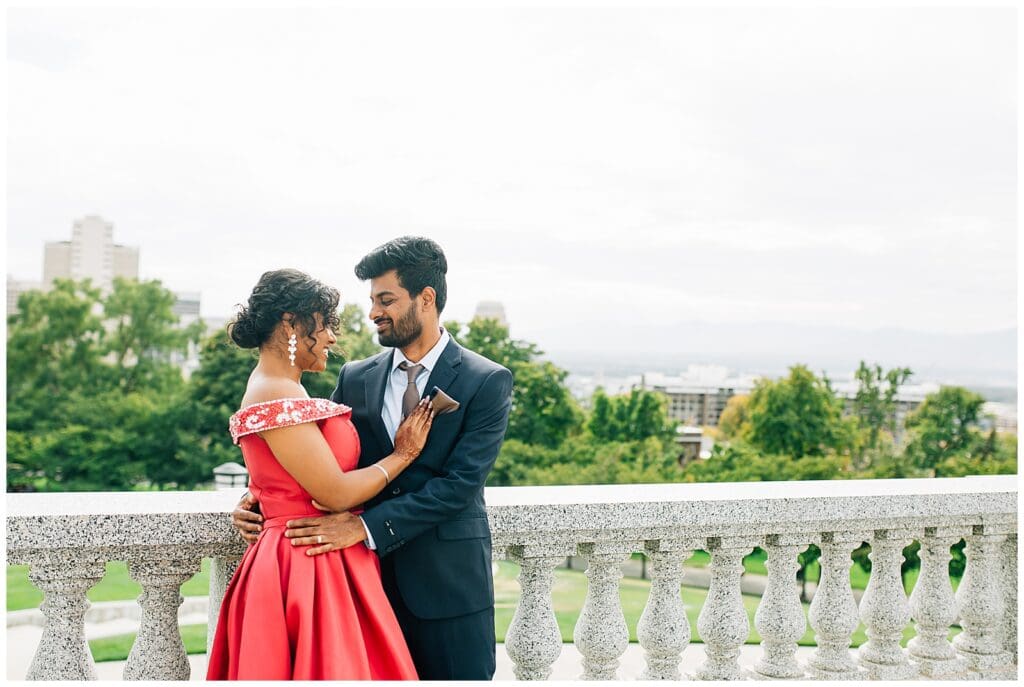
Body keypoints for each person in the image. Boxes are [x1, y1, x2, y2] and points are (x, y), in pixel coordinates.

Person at [233, 237, 514, 680]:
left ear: (426, 299)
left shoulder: (487, 380)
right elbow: (310, 456)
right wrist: (259, 503)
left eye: (386, 300)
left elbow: (459, 486)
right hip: (357, 587)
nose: (373, 313)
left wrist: (362, 527)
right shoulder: (355, 376)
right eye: (371, 300)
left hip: (447, 590)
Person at [207, 268, 433, 680]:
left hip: (317, 555)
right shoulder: (275, 389)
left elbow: (284, 472)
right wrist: (405, 454)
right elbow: (334, 492)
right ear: (291, 323)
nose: (332, 336)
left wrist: (261, 496)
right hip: (304, 563)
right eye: (325, 324)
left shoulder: (285, 388)